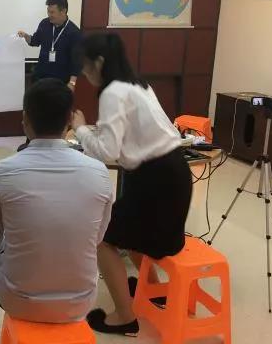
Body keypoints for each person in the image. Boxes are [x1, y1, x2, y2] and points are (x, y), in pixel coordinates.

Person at [0, 78, 113, 344]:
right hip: (80, 302)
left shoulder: (2, 172)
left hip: (20, 301)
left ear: (25, 120)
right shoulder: (99, 172)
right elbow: (96, 238)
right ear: (69, 121)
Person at [71, 32, 192, 336]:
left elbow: (107, 151)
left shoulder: (112, 92)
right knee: (128, 231)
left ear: (99, 62)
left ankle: (124, 316)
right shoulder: (138, 84)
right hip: (173, 174)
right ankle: (155, 290)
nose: (84, 73)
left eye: (86, 65)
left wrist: (80, 129)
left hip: (156, 181)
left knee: (103, 237)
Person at [16, 0, 82, 151]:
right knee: (34, 111)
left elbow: (76, 60)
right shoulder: (45, 24)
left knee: (56, 114)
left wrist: (72, 82)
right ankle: (30, 144)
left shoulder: (74, 32)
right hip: (40, 77)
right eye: (48, 12)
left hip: (60, 81)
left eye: (52, 12)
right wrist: (26, 36)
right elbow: (35, 41)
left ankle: (56, 147)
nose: (49, 15)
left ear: (63, 11)